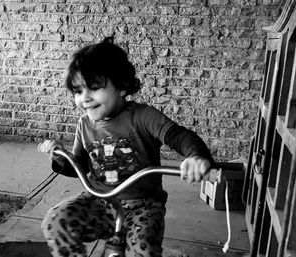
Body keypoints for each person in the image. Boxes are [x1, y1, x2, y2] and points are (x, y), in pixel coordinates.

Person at [37, 36, 214, 257]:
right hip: (99, 201)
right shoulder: (84, 124)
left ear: (121, 86)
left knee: (142, 250)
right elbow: (80, 167)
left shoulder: (143, 116)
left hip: (143, 205)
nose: (85, 98)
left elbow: (179, 136)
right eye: (78, 91)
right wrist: (62, 158)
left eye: (93, 88)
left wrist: (196, 157)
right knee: (56, 221)